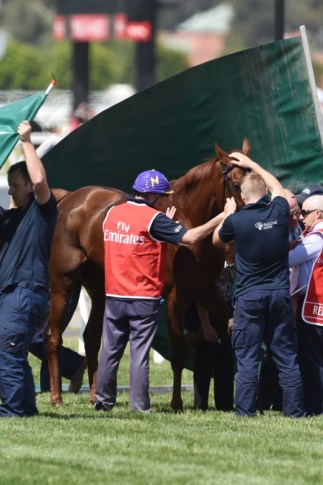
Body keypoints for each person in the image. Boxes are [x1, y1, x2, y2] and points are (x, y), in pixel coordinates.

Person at [94, 169, 225, 413]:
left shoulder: (112, 213)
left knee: (110, 351)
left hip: (113, 294)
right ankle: (140, 406)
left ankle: (103, 401)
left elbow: (132, 238)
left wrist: (163, 224)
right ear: (154, 197)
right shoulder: (154, 219)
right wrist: (221, 218)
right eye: (162, 196)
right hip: (143, 297)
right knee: (139, 354)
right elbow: (192, 236)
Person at [212, 153, 305, 418]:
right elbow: (277, 187)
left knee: (247, 358)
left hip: (249, 298)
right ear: (264, 193)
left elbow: (217, 242)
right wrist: (252, 164)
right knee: (287, 358)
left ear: (241, 197)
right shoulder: (279, 210)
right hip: (278, 295)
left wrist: (227, 215)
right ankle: (295, 412)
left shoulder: (237, 220)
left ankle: (245, 412)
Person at [0, 120, 57, 417]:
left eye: (16, 184)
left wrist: (26, 141)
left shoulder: (40, 213)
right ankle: (25, 407)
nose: (11, 189)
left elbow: (39, 181)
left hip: (23, 294)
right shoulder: (10, 218)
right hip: (15, 296)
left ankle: (10, 411)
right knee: (15, 354)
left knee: (7, 354)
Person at [289, 195, 323, 415]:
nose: (301, 217)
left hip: (313, 306)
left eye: (305, 212)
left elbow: (289, 259)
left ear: (318, 214)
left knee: (313, 361)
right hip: (314, 304)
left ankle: (316, 407)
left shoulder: (316, 238)